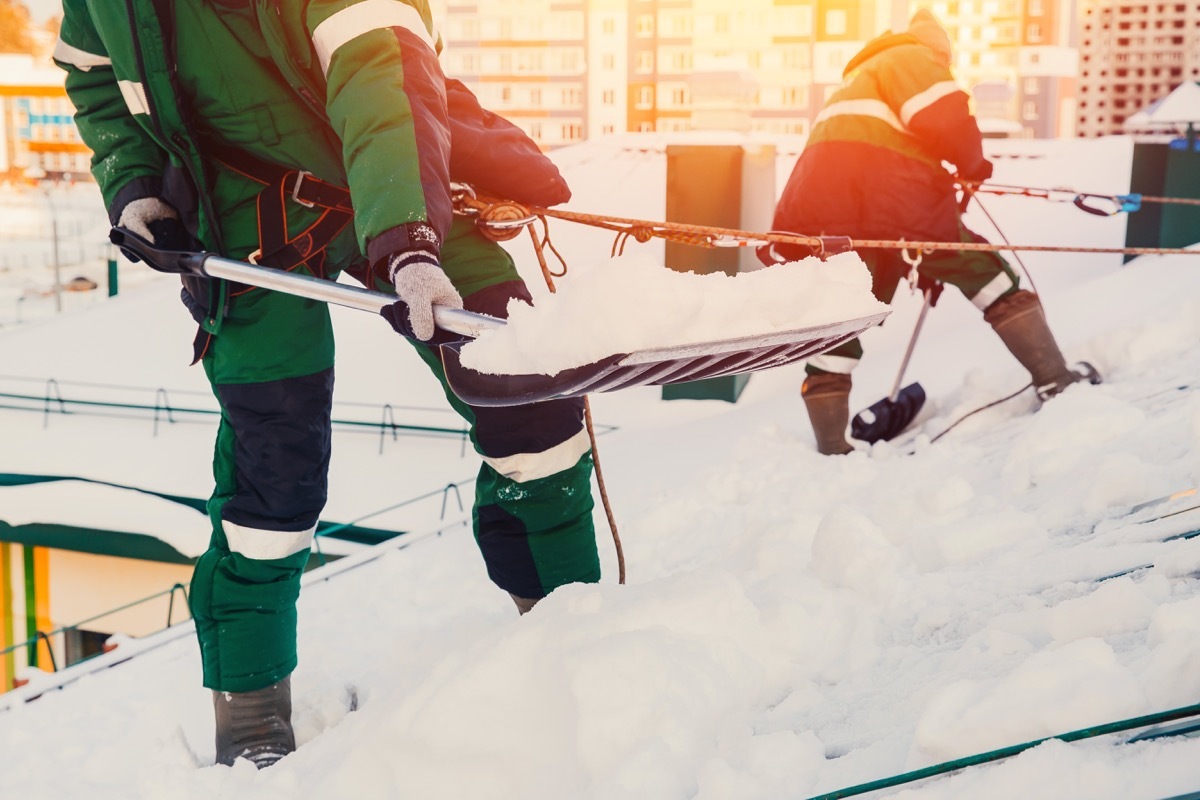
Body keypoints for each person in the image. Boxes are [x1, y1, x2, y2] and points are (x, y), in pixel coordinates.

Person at [54, 0, 600, 768]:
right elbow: (93, 77)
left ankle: (566, 627)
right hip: (239, 211)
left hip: (391, 171)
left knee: (527, 393)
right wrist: (133, 184)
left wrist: (408, 240)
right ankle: (251, 711)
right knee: (271, 469)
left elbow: (383, 76)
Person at [768, 10, 1096, 455]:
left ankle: (831, 446)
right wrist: (972, 165)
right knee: (987, 273)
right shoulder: (911, 56)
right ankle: (1056, 381)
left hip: (832, 212)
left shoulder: (861, 76)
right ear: (938, 49)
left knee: (846, 316)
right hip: (893, 202)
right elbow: (944, 114)